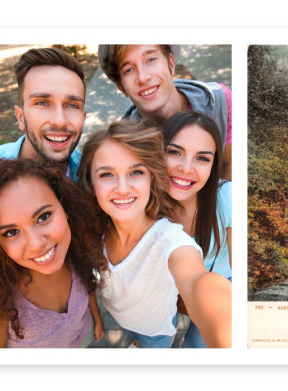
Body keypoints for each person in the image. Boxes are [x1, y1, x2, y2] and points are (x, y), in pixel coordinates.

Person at [76, 120, 231, 348]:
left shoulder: (170, 241)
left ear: (152, 177)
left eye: (136, 172)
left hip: (156, 333)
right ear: (91, 182)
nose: (122, 188)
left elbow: (197, 281)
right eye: (107, 174)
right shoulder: (93, 229)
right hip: (124, 321)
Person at [0, 158, 106, 348]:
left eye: (44, 217)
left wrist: (97, 318)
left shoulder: (74, 252)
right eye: (11, 232)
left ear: (64, 208)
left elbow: (88, 288)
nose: (36, 244)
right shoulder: (0, 302)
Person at [97, 44, 232, 180]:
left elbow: (229, 166)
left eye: (150, 60)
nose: (143, 78)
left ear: (171, 63)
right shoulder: (125, 144)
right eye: (128, 70)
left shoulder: (220, 102)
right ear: (121, 88)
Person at [162, 111, 231, 348]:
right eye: (175, 152)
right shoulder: (142, 203)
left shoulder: (227, 197)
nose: (186, 168)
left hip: (221, 289)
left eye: (202, 158)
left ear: (213, 165)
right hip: (167, 294)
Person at [0, 47, 87, 181]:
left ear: (83, 118)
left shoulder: (92, 175)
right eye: (42, 103)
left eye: (73, 105)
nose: (60, 121)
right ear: (20, 117)